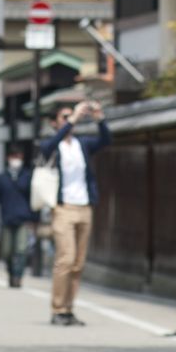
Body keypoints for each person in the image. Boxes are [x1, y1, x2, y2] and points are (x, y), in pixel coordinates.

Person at [39, 100, 111, 326]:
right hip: (63, 208)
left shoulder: (83, 144)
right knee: (65, 259)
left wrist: (99, 117)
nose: (72, 120)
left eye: (73, 116)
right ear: (54, 123)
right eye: (64, 117)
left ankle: (69, 309)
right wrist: (72, 120)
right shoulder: (53, 145)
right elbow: (48, 147)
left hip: (85, 206)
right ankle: (57, 308)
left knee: (78, 262)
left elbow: (106, 140)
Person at [0, 145, 35, 287]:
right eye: (14, 157)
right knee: (7, 251)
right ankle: (10, 272)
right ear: (8, 158)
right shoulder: (2, 177)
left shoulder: (27, 176)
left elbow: (33, 197)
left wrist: (34, 218)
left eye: (19, 157)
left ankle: (17, 276)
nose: (16, 160)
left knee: (21, 250)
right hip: (7, 218)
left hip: (23, 218)